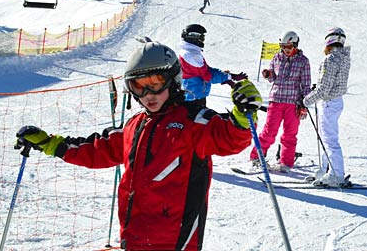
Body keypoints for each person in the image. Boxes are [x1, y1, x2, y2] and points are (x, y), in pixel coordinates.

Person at [15, 39, 262, 251]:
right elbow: (97, 149)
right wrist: (50, 144)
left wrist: (242, 116)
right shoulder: (135, 125)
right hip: (133, 236)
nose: (148, 95)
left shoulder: (194, 121)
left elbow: (228, 138)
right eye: (139, 86)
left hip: (176, 241)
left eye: (155, 83)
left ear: (173, 79)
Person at [251, 31, 311, 172]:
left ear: (295, 45)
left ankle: (286, 163)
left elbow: (306, 84)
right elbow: (273, 77)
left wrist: (304, 105)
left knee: (290, 134)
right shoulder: (277, 57)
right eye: (283, 46)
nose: (285, 50)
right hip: (276, 100)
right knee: (269, 132)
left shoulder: (303, 61)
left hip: (293, 102)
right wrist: (269, 74)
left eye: (288, 47)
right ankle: (256, 157)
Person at [303, 28, 351, 187]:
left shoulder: (330, 59)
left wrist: (306, 100)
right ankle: (325, 169)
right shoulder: (343, 58)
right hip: (335, 101)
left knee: (329, 139)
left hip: (329, 102)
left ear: (329, 41)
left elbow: (324, 89)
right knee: (325, 137)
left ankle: (337, 174)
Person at [179, 24, 244, 107]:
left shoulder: (189, 52)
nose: (203, 41)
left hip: (193, 94)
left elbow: (207, 70)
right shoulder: (192, 55)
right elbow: (208, 76)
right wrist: (230, 76)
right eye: (202, 38)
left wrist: (224, 77)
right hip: (195, 98)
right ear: (194, 37)